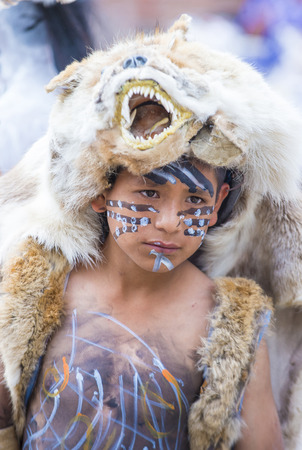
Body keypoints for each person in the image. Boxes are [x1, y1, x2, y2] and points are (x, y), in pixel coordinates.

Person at [0, 156, 282, 449]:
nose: (169, 222)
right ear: (99, 188)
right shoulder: (36, 289)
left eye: (195, 198)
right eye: (149, 192)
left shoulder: (232, 329)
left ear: (217, 203)